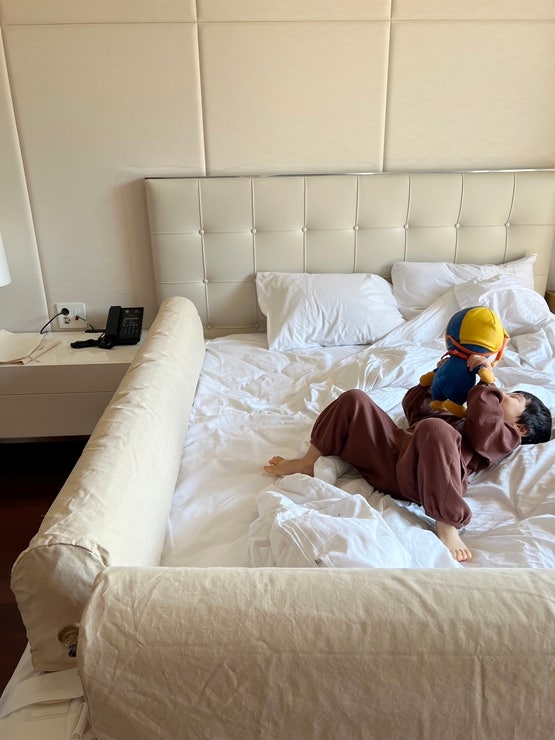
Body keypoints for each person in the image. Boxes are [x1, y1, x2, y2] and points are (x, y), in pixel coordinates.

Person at [264, 355, 552, 562]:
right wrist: (434, 380)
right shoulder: (460, 416)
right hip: (389, 455)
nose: (502, 394)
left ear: (522, 428)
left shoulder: (505, 437)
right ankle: (309, 460)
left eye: (512, 398)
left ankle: (446, 522)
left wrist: (486, 381)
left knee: (435, 429)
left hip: (423, 478)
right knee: (355, 399)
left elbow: (482, 427)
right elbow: (414, 409)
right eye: (502, 392)